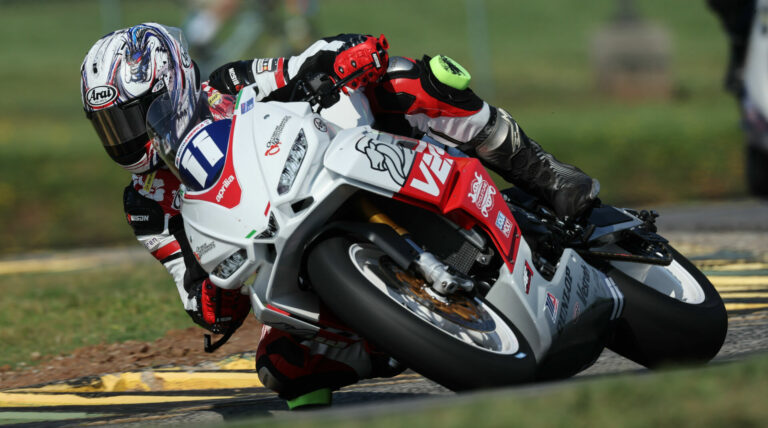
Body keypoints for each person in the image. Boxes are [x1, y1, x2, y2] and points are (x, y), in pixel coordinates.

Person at [81, 23, 598, 409]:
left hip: (336, 164)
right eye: (109, 128)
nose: (124, 140)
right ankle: (407, 336)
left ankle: (544, 171)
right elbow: (195, 296)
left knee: (411, 79)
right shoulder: (146, 205)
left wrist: (341, 57)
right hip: (283, 258)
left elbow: (299, 65)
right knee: (283, 366)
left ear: (170, 89)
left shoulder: (227, 86)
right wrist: (214, 286)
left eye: (130, 119)